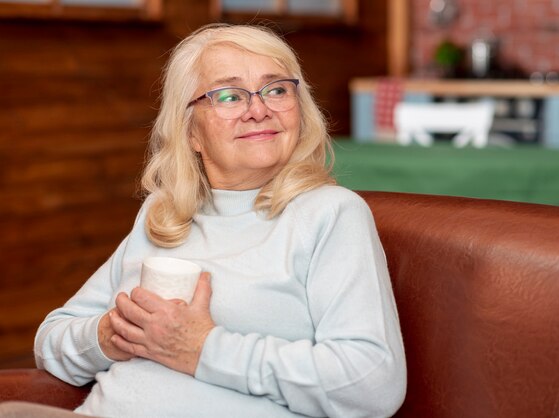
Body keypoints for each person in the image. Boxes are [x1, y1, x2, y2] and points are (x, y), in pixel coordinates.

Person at [0, 23, 406, 418]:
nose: (259, 110)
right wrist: (109, 336)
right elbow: (52, 339)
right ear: (190, 131)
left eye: (277, 89)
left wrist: (203, 348)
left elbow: (371, 384)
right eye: (229, 96)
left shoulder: (330, 214)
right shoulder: (166, 213)